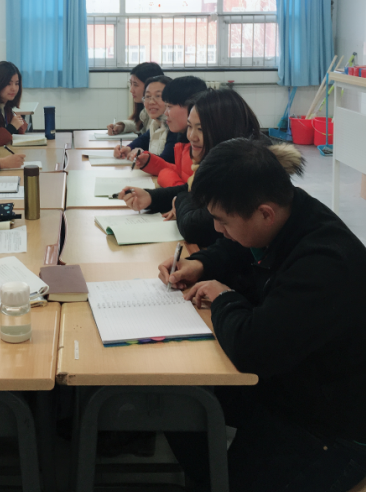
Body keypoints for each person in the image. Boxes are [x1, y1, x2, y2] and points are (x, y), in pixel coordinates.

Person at [159, 138, 366, 492]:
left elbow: (251, 349)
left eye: (222, 220)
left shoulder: (324, 262)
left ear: (265, 213)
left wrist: (224, 297)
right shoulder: (289, 213)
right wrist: (201, 263)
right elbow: (240, 247)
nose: (218, 230)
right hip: (292, 387)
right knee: (176, 400)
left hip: (332, 429)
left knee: (216, 458)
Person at [119, 89, 294, 248]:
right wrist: (151, 197)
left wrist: (179, 200)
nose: (191, 136)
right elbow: (194, 190)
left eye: (201, 129)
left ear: (225, 129)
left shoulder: (246, 170)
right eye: (190, 126)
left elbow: (195, 227)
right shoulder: (224, 159)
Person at [125, 76, 207, 188]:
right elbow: (179, 171)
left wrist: (164, 176)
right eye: (147, 96)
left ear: (192, 107)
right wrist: (149, 161)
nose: (166, 113)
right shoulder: (183, 141)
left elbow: (188, 191)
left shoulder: (195, 144)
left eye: (169, 106)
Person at [113, 75, 176, 165]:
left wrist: (142, 155)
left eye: (158, 96)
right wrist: (128, 148)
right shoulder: (155, 123)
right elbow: (144, 139)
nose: (151, 102)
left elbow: (166, 161)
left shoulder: (174, 128)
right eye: (148, 96)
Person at [106, 62, 164, 136]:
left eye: (135, 85)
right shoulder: (145, 110)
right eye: (131, 84)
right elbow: (139, 125)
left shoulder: (159, 111)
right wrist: (122, 126)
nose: (131, 90)